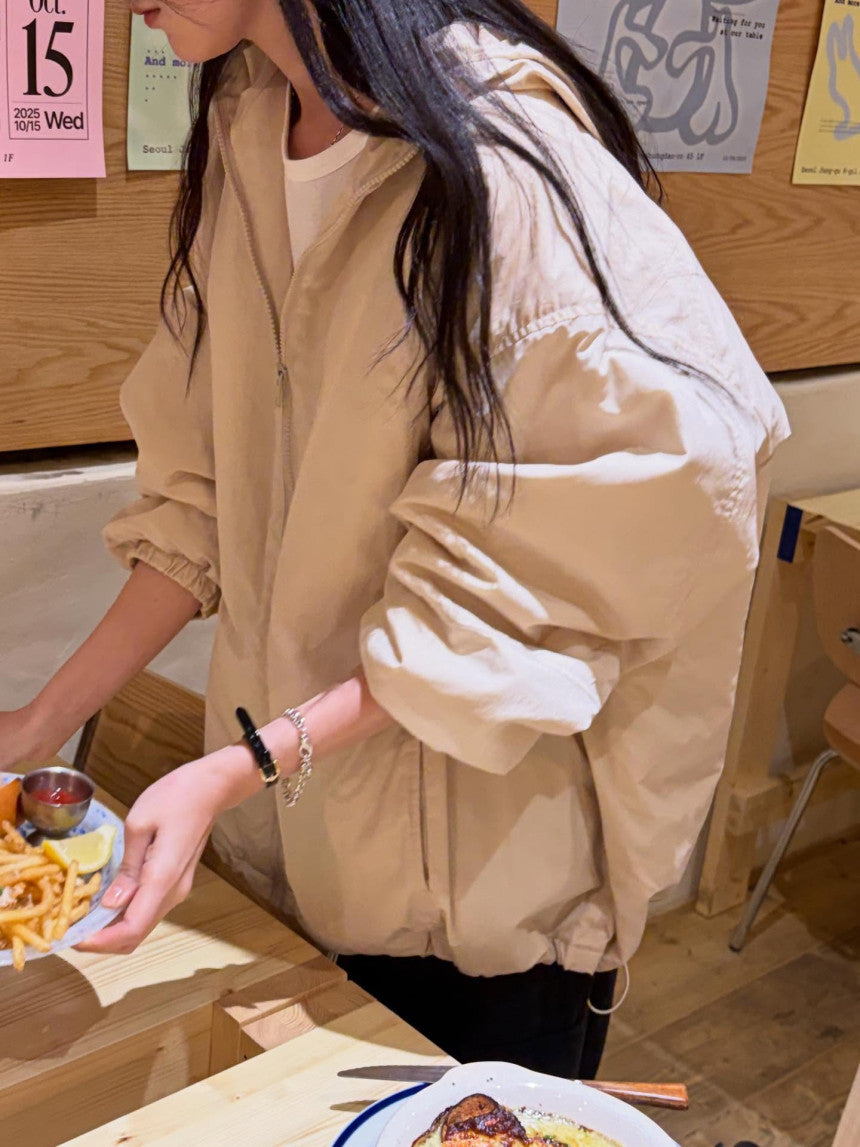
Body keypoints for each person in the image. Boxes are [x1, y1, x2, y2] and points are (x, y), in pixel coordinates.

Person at [0, 0, 789, 1079]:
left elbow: (634, 509)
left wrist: (237, 767)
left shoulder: (503, 155)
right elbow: (204, 496)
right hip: (290, 851)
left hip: (471, 904)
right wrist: (40, 723)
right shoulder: (247, 125)